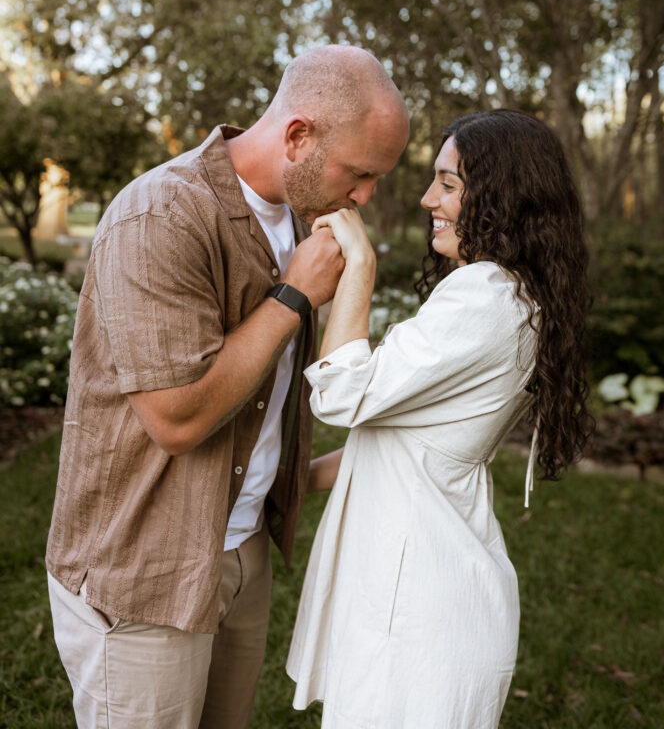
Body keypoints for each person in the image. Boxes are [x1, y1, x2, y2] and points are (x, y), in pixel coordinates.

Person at [46, 44, 410, 729]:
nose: (364, 197)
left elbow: (286, 402)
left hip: (239, 552)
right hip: (145, 567)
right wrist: (294, 295)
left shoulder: (306, 217)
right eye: (358, 174)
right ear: (298, 136)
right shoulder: (162, 214)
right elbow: (177, 420)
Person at [288, 109, 593, 729]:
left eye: (448, 184)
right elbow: (401, 449)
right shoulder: (508, 294)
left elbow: (342, 394)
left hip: (420, 607)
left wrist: (359, 269)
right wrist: (282, 479)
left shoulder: (485, 294)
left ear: (505, 197)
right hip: (420, 590)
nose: (430, 199)